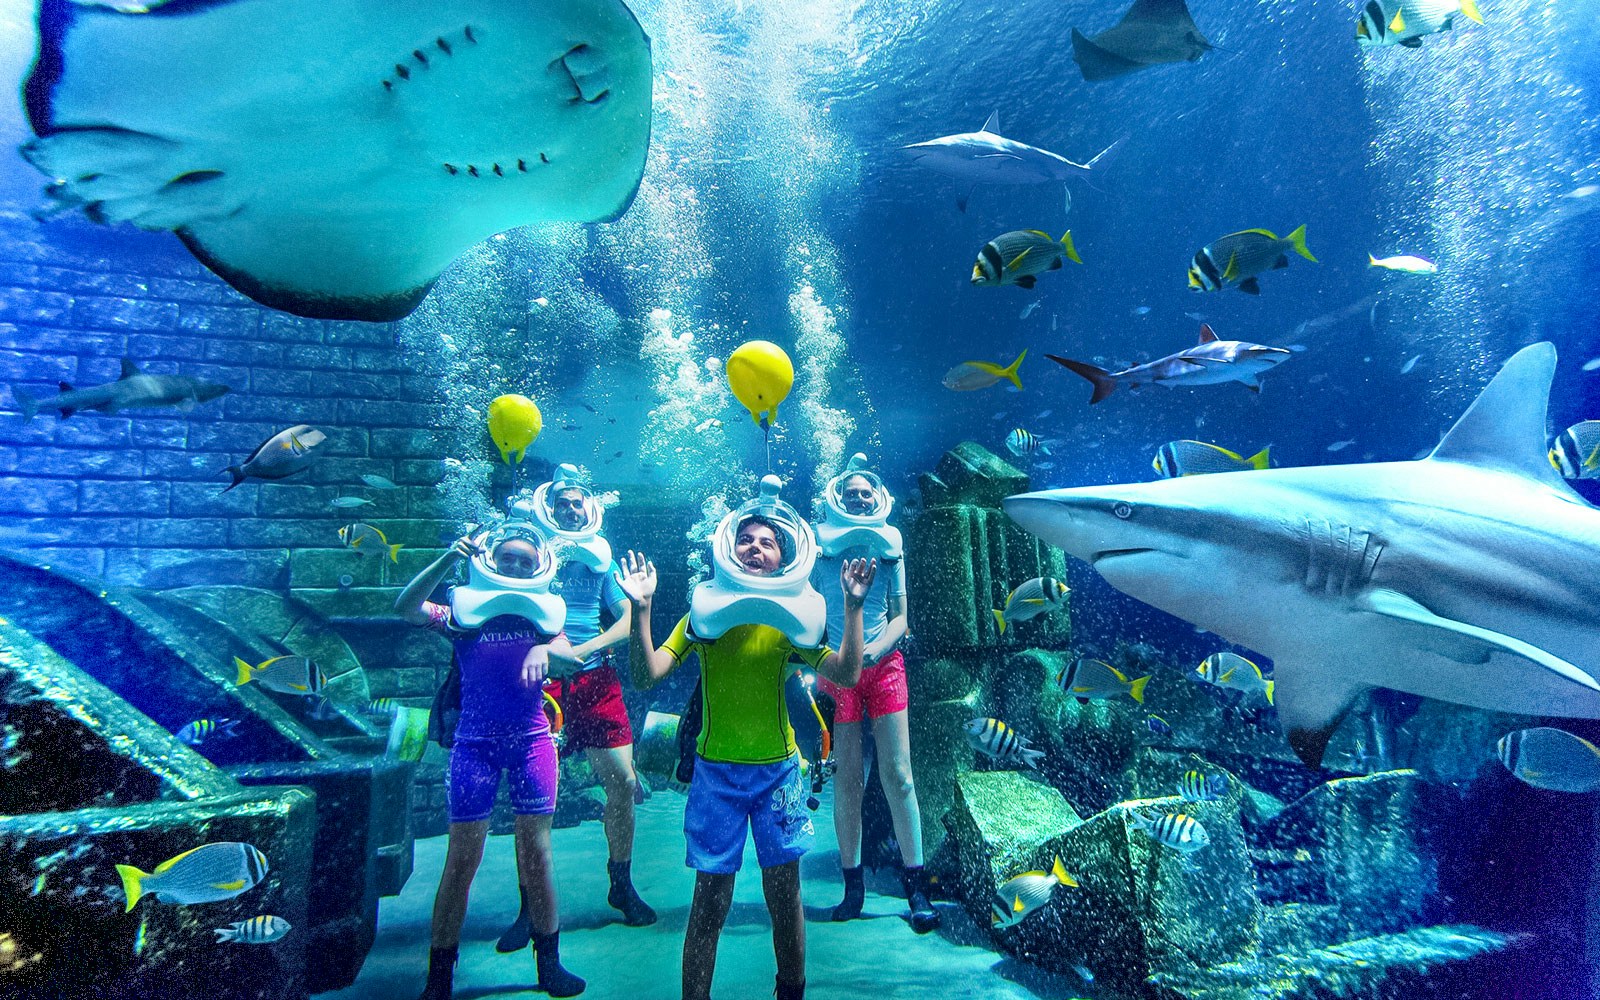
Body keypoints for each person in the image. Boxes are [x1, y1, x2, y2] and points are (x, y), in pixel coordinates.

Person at [621, 487, 875, 1000]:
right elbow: (647, 676)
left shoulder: (788, 622)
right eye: (745, 539)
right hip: (717, 776)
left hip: (780, 773)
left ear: (785, 556)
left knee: (785, 896)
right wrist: (641, 610)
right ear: (726, 549)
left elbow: (847, 674)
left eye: (768, 542)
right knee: (710, 900)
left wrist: (852, 608)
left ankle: (791, 993)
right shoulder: (704, 617)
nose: (755, 547)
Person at [395, 522, 586, 1000]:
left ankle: (549, 964)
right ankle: (439, 977)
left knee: (537, 854)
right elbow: (405, 608)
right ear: (490, 560)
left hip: (531, 742)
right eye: (509, 558)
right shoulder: (464, 614)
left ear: (539, 565)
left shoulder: (544, 617)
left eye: (526, 560)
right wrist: (446, 561)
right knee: (461, 859)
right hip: (473, 745)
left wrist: (545, 647)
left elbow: (571, 658)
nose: (517, 567)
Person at [496, 465, 655, 950]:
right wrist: (546, 652)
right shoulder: (529, 554)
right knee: (533, 801)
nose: (570, 509)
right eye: (561, 503)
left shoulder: (600, 562)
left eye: (577, 503)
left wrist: (580, 652)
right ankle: (530, 906)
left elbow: (627, 619)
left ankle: (621, 883)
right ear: (548, 507)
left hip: (597, 679)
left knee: (624, 784)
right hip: (538, 686)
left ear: (591, 509)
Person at [810, 460, 939, 932]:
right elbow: (809, 609)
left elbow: (902, 616)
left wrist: (873, 651)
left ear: (877, 498)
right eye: (852, 494)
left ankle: (916, 885)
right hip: (836, 672)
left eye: (866, 494)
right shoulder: (820, 546)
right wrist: (837, 659)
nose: (859, 500)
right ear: (837, 498)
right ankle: (852, 887)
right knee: (846, 781)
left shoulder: (891, 546)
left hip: (884, 667)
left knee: (899, 776)